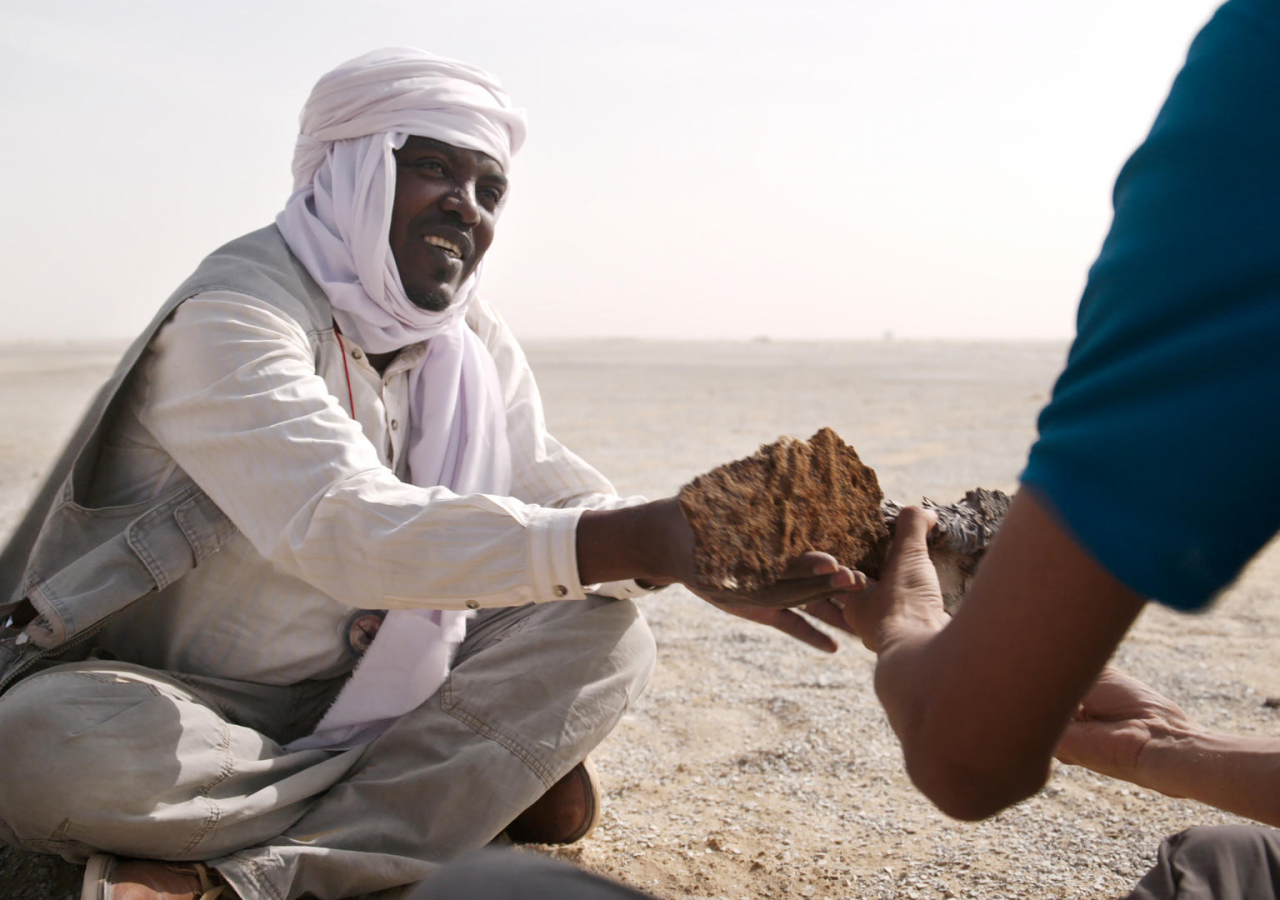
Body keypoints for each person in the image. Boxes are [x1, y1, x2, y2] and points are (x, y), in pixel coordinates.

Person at [0, 49, 860, 900]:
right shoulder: (235, 314)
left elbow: (552, 492)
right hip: (188, 707)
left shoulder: (468, 341)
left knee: (606, 635)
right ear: (348, 169)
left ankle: (263, 873)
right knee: (33, 752)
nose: (467, 204)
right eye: (434, 168)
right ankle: (440, 790)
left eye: (491, 189)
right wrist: (647, 538)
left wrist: (692, 542)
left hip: (375, 683)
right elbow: (344, 523)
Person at [837, 0, 1280, 894]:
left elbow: (968, 756)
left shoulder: (1259, 86)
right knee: (1224, 857)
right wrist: (1169, 744)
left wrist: (905, 627)